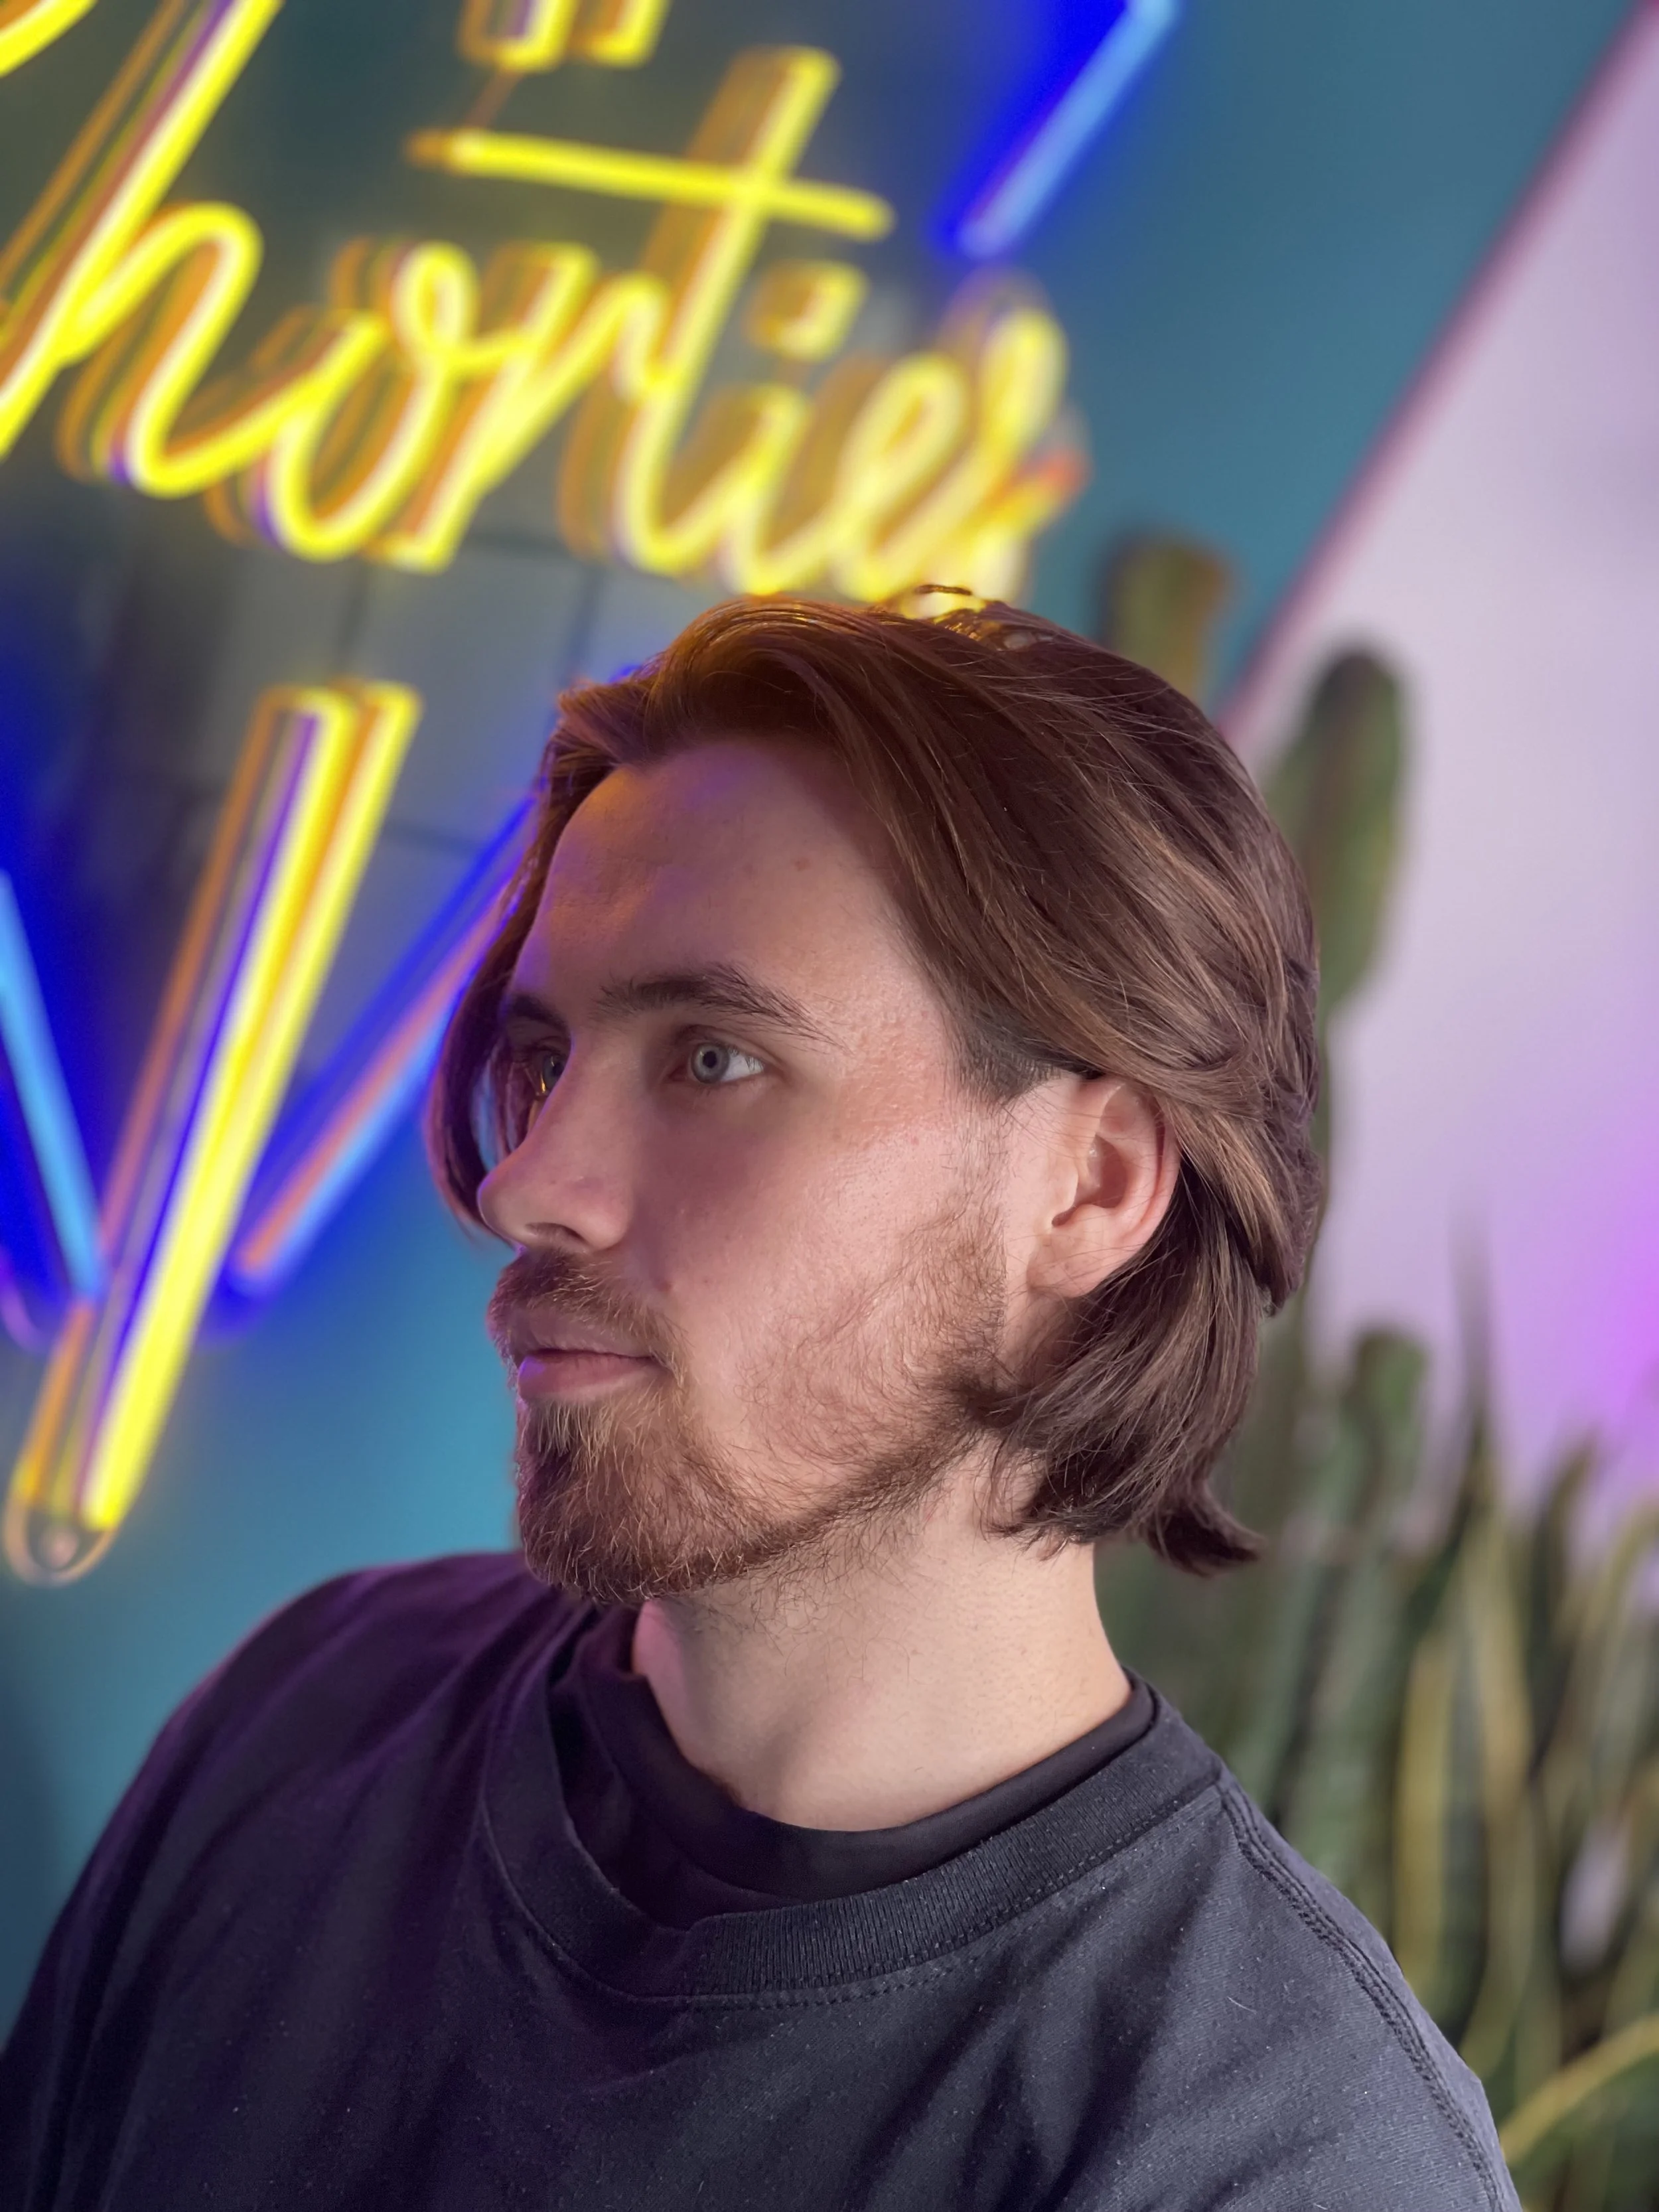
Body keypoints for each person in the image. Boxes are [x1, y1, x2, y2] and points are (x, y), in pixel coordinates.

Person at [0, 597, 1517, 2210]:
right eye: (540, 1059)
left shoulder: (1271, 2153)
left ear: (1090, 1184)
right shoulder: (310, 1718)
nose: (528, 1185)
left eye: (712, 1059)